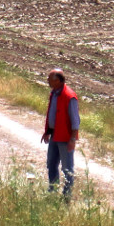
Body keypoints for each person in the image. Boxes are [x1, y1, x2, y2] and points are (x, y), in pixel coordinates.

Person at [42, 68, 80, 199]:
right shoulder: (54, 93)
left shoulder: (70, 96)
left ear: (57, 81)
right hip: (54, 135)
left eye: (49, 79)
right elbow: (52, 114)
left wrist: (72, 140)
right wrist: (47, 132)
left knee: (67, 169)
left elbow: (75, 121)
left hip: (65, 138)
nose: (47, 81)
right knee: (51, 164)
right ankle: (52, 191)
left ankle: (66, 196)